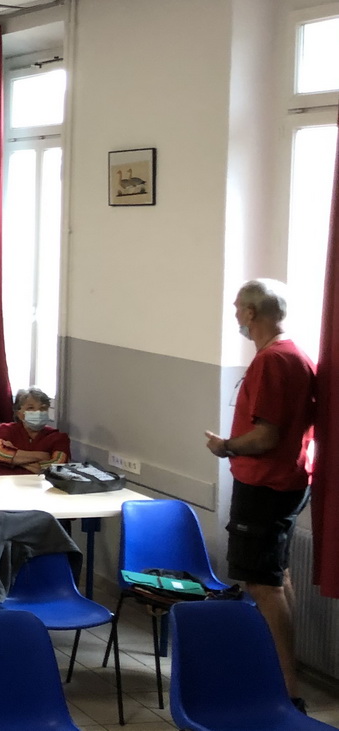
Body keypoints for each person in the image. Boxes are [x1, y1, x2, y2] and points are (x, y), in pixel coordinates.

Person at [204, 278, 315, 711]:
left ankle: (285, 689)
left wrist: (226, 446)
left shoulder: (272, 361)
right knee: (276, 577)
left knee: (262, 585)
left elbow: (266, 436)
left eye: (238, 307)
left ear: (251, 313)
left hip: (266, 485)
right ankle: (282, 678)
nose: (235, 314)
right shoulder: (295, 355)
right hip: (288, 483)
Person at [0, 388, 70, 475]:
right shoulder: (6, 429)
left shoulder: (59, 437)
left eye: (43, 408)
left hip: (40, 483)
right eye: (30, 408)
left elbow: (57, 466)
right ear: (19, 414)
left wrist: (13, 460)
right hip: (6, 481)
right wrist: (41, 456)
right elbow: (1, 454)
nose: (38, 412)